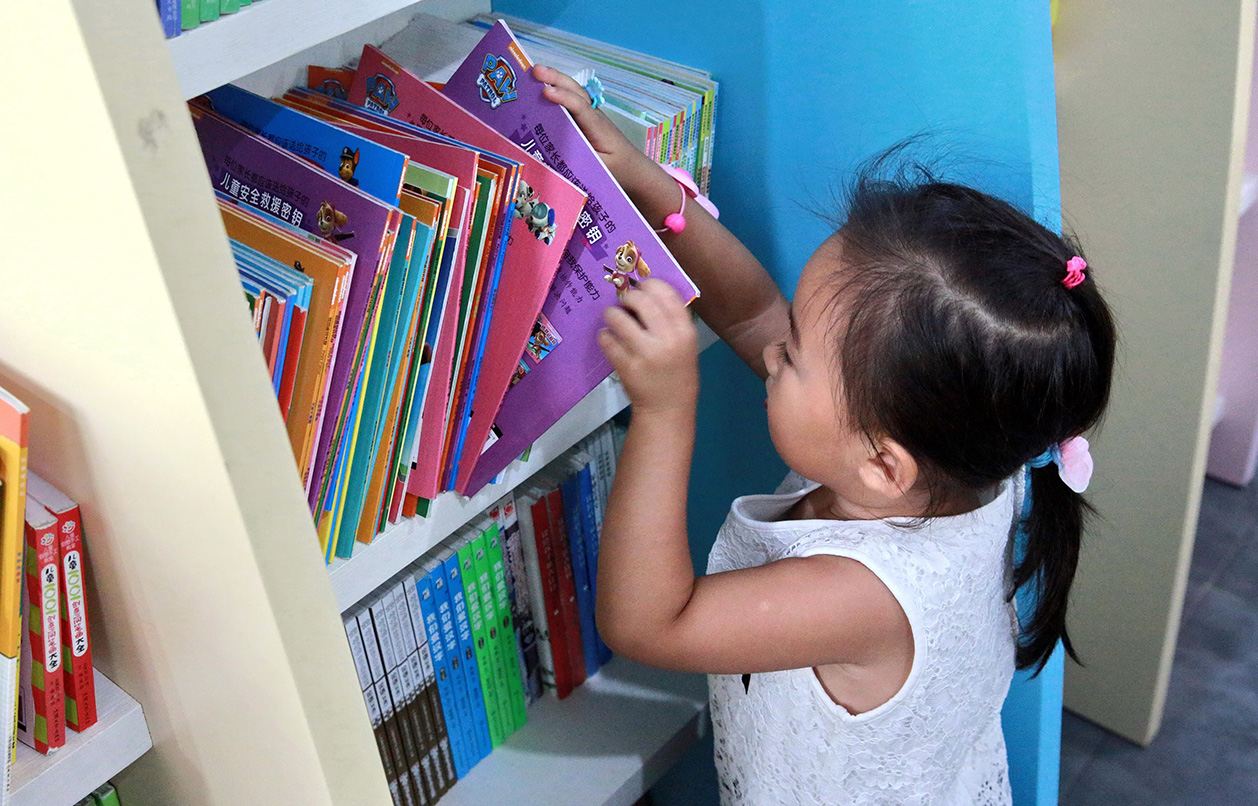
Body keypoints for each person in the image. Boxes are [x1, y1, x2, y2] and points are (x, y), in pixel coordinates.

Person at [536, 66, 1117, 805]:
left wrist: (665, 410)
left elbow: (649, 624)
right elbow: (752, 312)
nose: (774, 348)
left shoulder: (859, 595)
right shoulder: (959, 453)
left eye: (794, 355)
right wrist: (642, 182)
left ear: (882, 464)